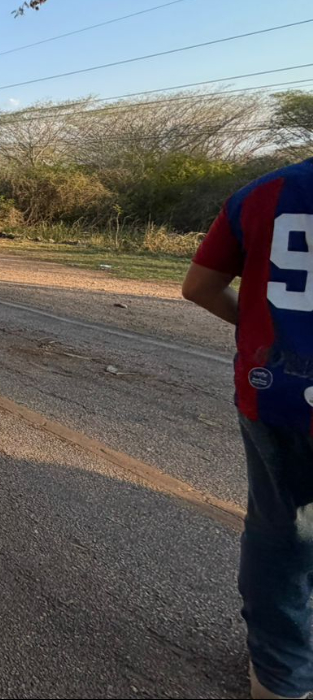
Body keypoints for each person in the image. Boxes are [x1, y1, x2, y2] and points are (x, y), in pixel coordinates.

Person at [182, 157, 313, 700]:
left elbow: (200, 288)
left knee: (282, 535)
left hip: (278, 393)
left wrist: (264, 325)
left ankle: (281, 679)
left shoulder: (265, 193)